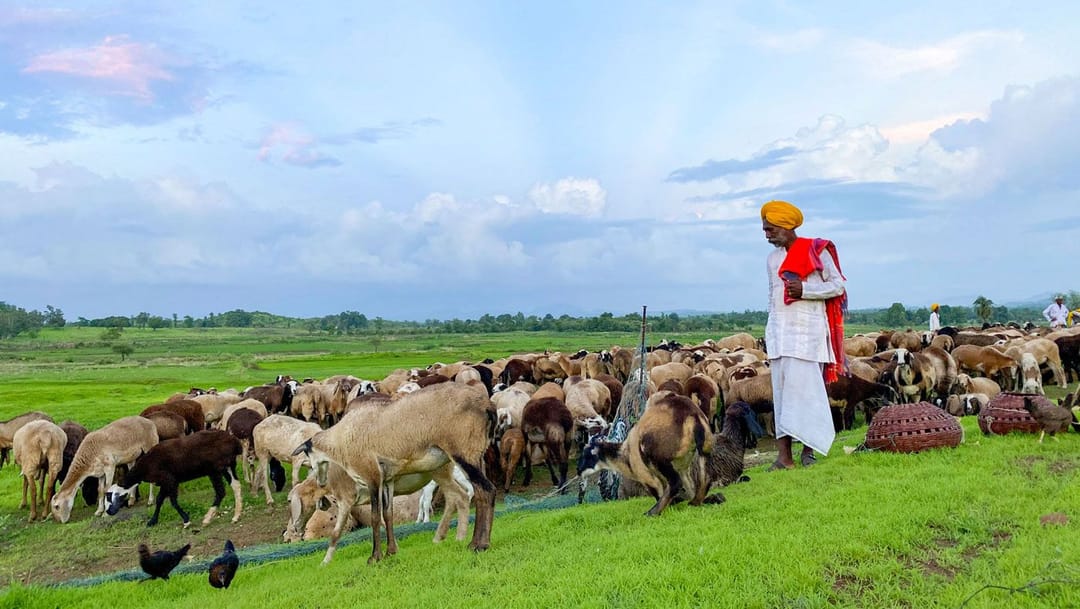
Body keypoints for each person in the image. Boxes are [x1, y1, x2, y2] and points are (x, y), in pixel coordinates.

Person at [761, 200, 846, 471]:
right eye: (765, 229)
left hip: (807, 336)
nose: (767, 234)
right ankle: (783, 458)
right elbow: (772, 296)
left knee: (807, 395)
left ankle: (808, 452)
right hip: (779, 336)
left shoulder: (816, 251)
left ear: (786, 226)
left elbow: (838, 286)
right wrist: (769, 330)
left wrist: (806, 290)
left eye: (771, 229)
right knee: (782, 397)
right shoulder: (772, 259)